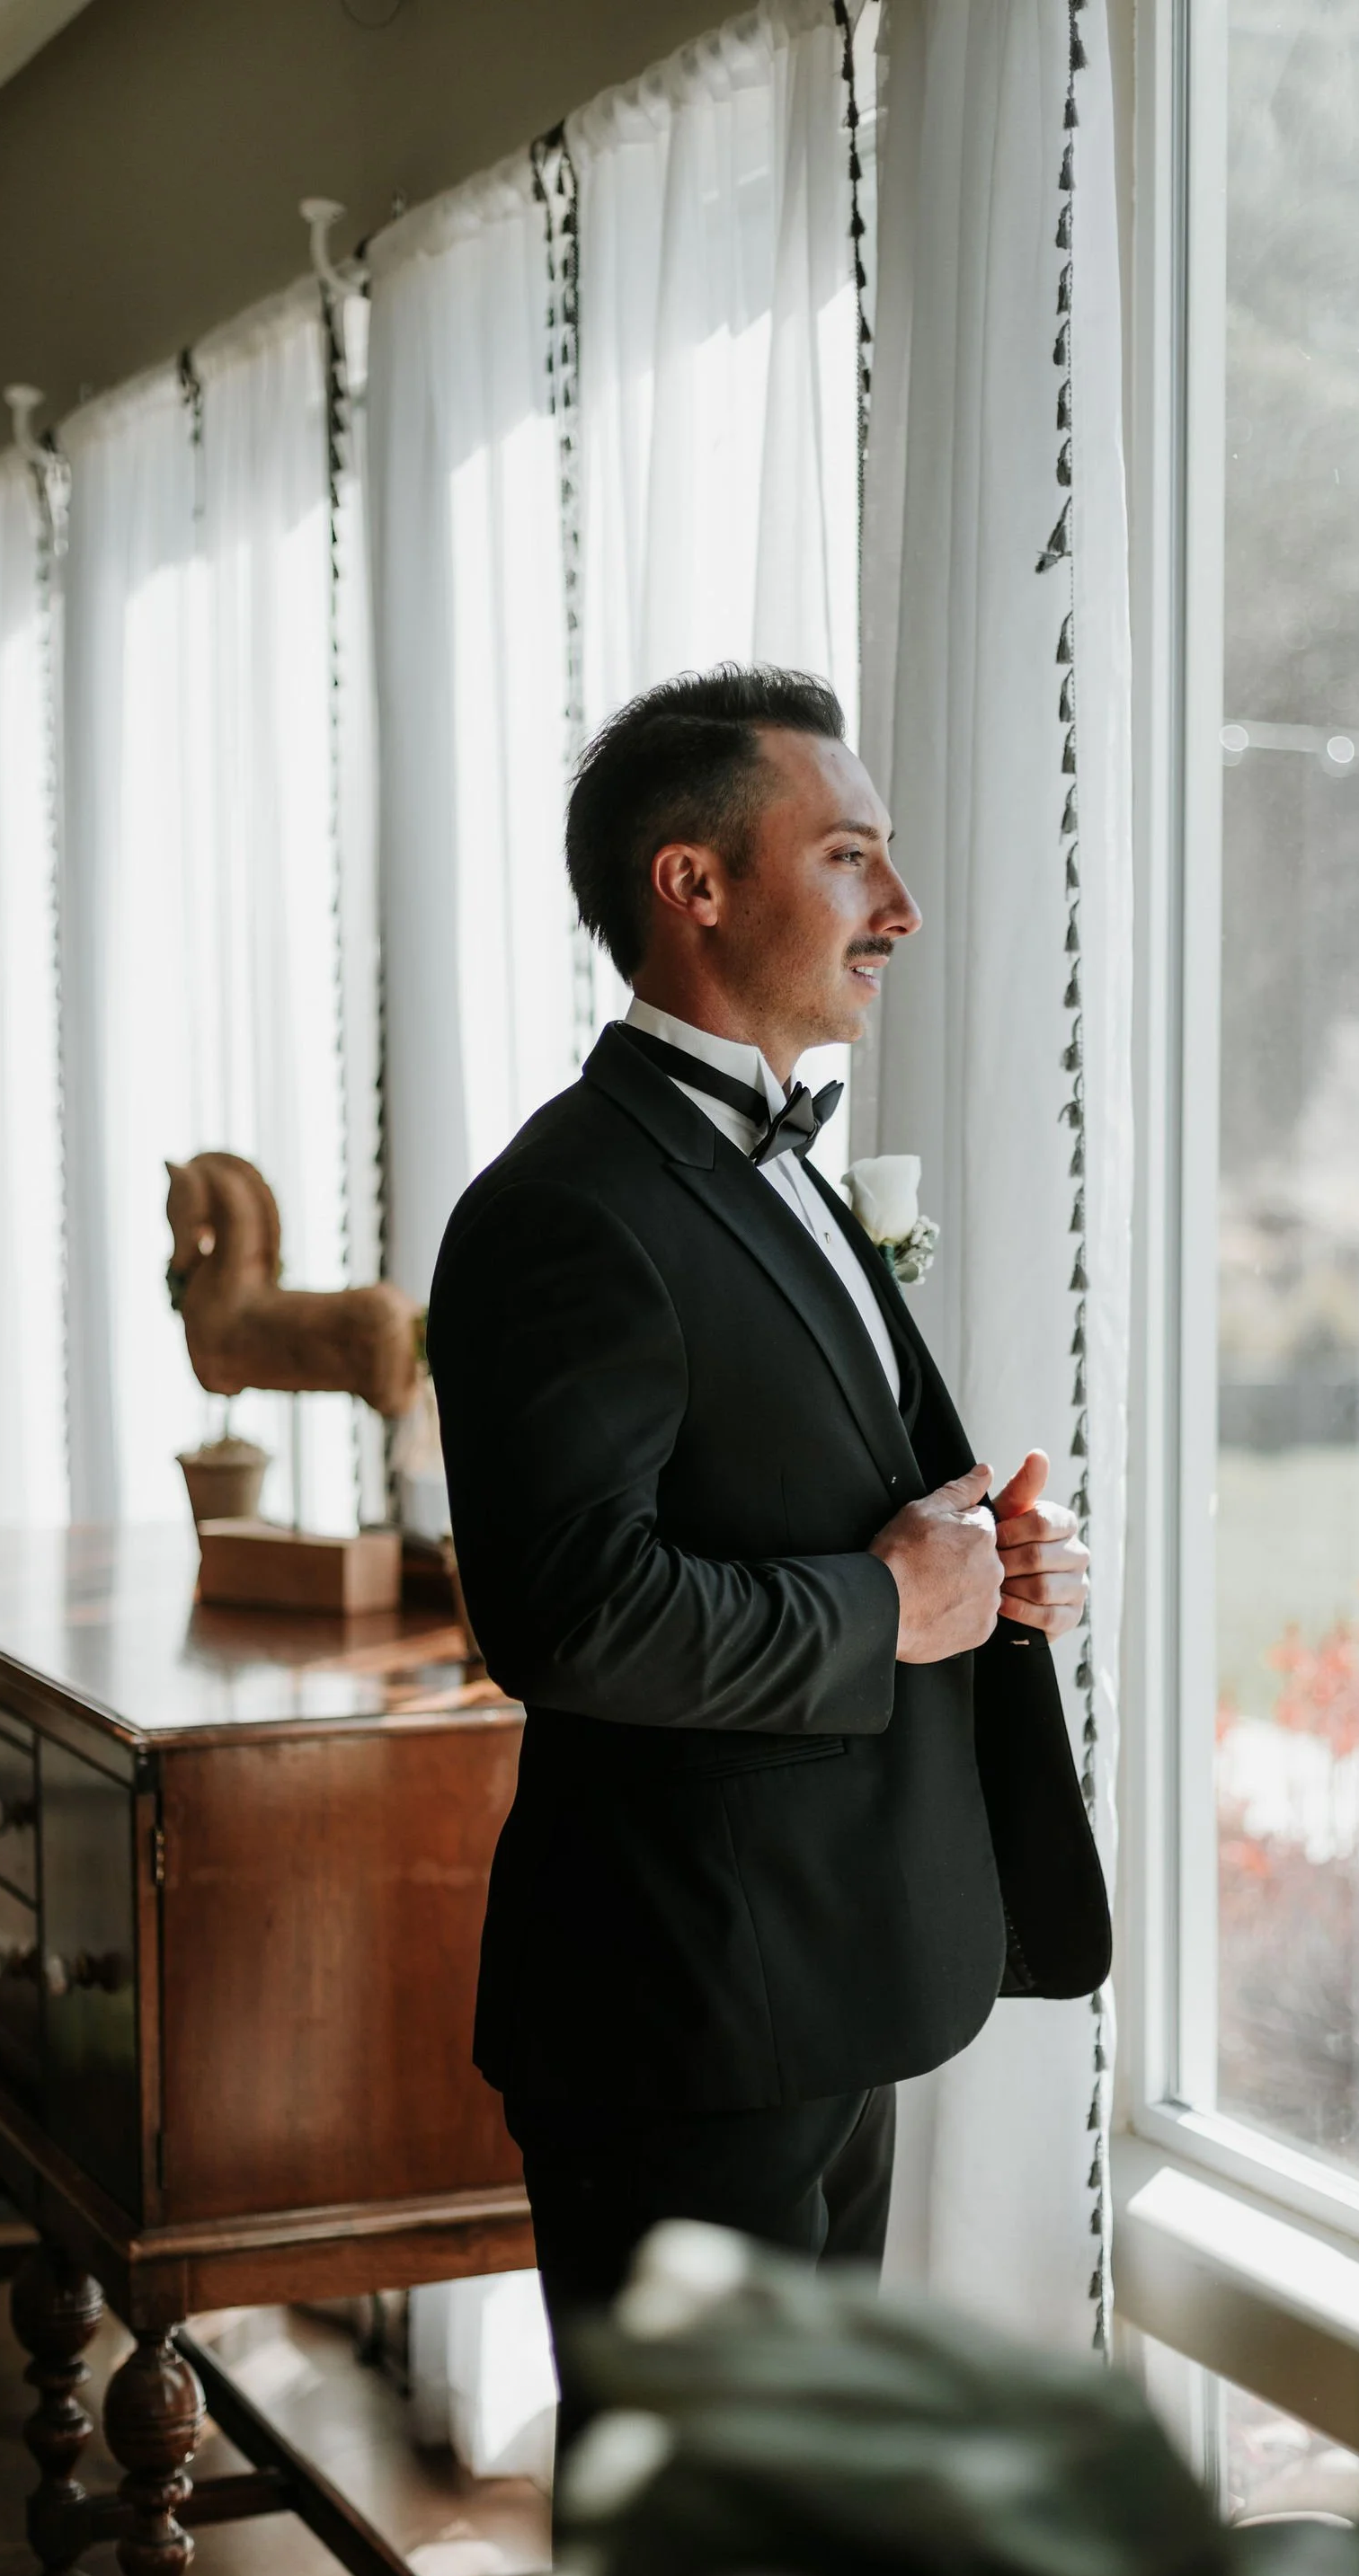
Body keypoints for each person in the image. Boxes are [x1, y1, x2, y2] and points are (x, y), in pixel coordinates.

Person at [426, 666, 1110, 2438]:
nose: (899, 907)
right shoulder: (562, 1209)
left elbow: (794, 1487)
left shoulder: (780, 1159)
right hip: (682, 2021)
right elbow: (571, 1614)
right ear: (697, 884)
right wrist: (886, 1606)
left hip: (824, 1977)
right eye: (851, 856)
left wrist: (983, 1579)